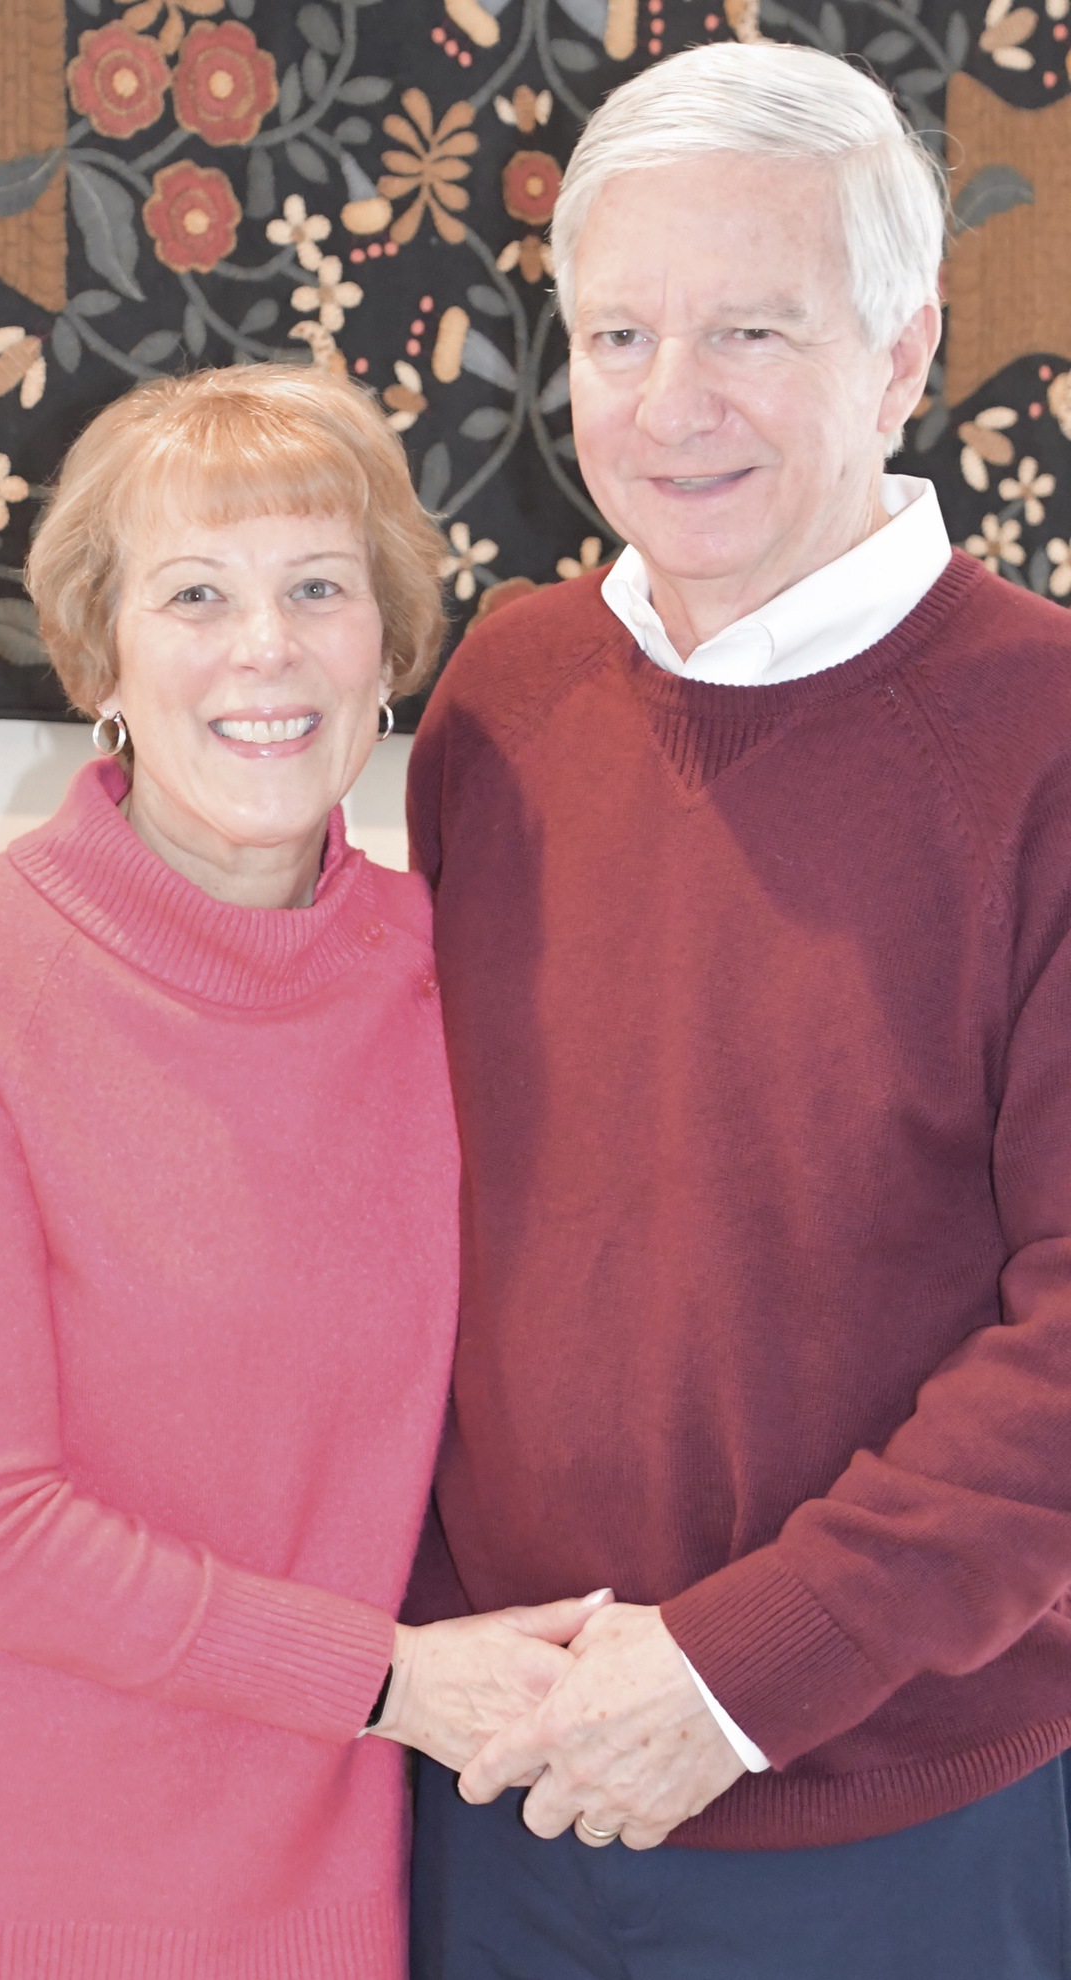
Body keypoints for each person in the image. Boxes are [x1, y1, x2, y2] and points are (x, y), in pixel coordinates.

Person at [406, 41, 1071, 1980]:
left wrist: (728, 1677)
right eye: (617, 335)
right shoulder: (504, 696)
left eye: (754, 332)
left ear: (901, 349)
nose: (670, 406)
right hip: (496, 1769)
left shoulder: (1042, 742)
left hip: (884, 1817)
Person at [0, 364, 607, 1980]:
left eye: (318, 589)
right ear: (104, 652)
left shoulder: (454, 973)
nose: (264, 647)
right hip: (15, 1881)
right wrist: (396, 1680)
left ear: (390, 646)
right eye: (195, 593)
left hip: (340, 1877)